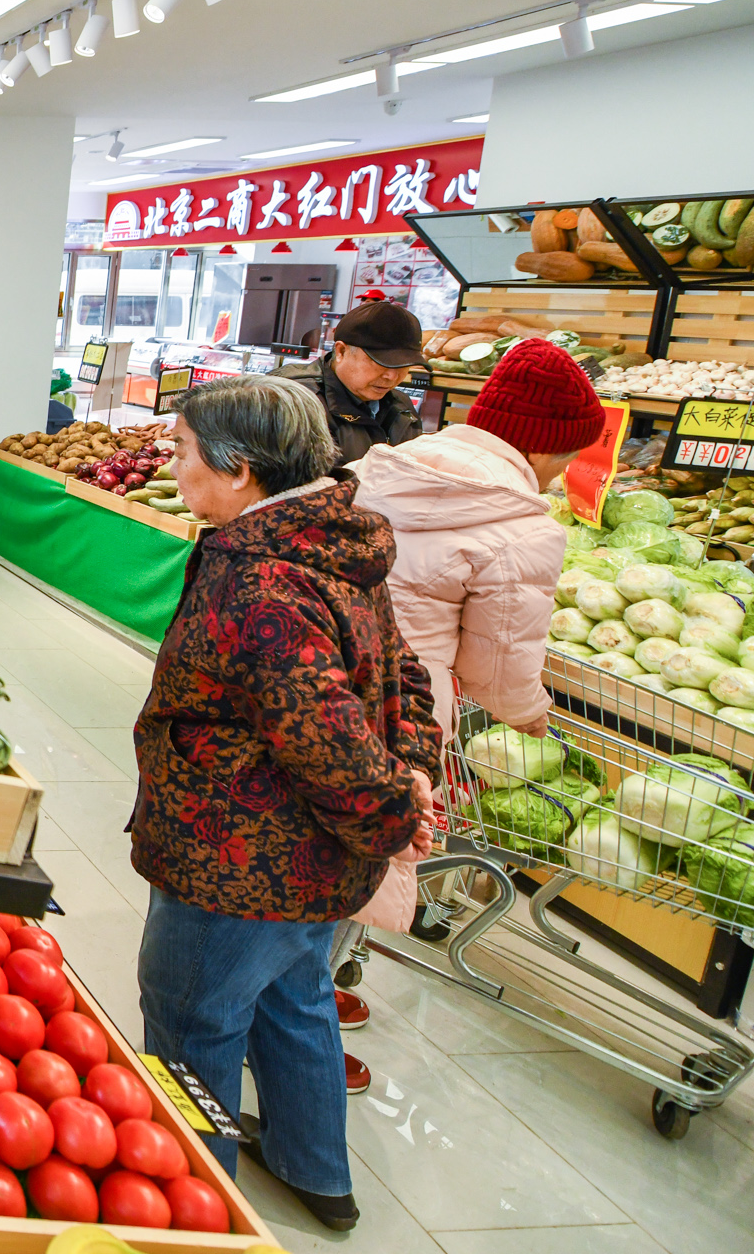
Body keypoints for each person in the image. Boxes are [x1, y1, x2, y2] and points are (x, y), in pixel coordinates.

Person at [132, 374, 438, 1233]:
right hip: (318, 863)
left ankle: (201, 1211)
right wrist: (412, 775)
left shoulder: (261, 578)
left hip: (237, 861)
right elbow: (405, 676)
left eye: (183, 452)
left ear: (239, 470)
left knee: (193, 1021)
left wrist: (396, 813)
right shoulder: (332, 540)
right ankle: (316, 1171)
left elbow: (327, 742)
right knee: (295, 997)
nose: (174, 466)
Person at [331, 337, 606, 1047]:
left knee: (307, 841)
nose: (564, 471)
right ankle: (296, 1016)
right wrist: (534, 717)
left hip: (312, 680)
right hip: (397, 710)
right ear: (540, 445)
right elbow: (497, 672)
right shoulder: (520, 526)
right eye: (568, 454)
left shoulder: (382, 465)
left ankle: (294, 993)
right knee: (358, 858)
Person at [277, 299, 425, 464]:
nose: (391, 376)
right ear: (341, 351)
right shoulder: (293, 401)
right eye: (381, 362)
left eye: (403, 365)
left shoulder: (402, 406)